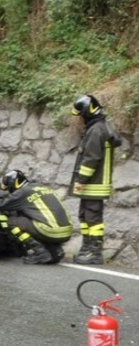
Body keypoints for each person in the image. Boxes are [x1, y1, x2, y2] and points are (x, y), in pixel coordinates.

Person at [69, 95, 122, 264]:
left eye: (82, 115)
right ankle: (87, 247)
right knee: (85, 216)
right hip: (92, 183)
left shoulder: (96, 129)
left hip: (94, 183)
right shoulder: (97, 127)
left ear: (88, 112)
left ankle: (95, 252)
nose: (81, 119)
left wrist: (81, 179)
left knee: (93, 218)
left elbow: (91, 158)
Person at [0, 169, 72, 264]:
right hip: (67, 231)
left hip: (49, 230)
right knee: (36, 219)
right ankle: (55, 250)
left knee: (11, 222)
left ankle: (40, 252)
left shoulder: (22, 192)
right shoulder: (41, 187)